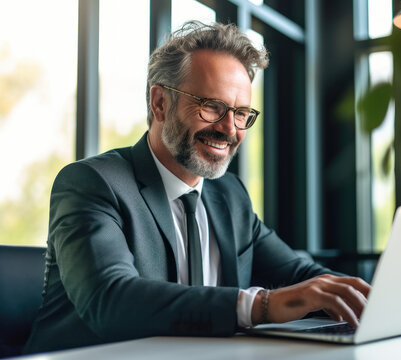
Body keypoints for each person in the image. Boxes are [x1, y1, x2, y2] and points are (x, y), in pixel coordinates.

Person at [24, 21, 370, 354]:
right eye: (212, 107)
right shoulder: (93, 183)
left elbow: (300, 274)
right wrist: (262, 305)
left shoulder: (230, 196)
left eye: (241, 113)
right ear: (159, 102)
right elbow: (111, 300)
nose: (229, 129)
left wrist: (370, 298)